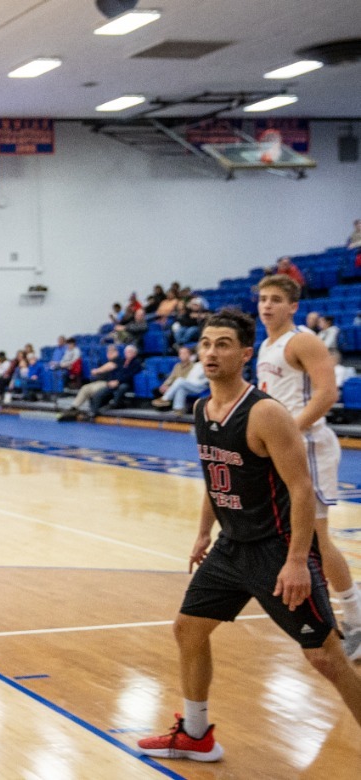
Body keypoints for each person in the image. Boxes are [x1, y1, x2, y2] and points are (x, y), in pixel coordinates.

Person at [137, 309, 361, 762]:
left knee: (325, 659)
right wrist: (204, 532)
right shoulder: (202, 408)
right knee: (188, 630)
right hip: (230, 548)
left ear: (244, 354)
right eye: (205, 344)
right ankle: (196, 735)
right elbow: (214, 475)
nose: (211, 352)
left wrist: (298, 560)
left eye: (222, 344)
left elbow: (302, 492)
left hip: (276, 553)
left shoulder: (266, 414)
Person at [255, 275, 361, 660]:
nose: (267, 306)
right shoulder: (266, 345)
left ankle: (356, 618)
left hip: (310, 446)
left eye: (276, 300)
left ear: (293, 306)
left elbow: (328, 393)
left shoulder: (302, 341)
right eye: (263, 299)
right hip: (286, 447)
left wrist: (288, 431)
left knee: (315, 538)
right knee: (296, 535)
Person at [57, 345, 119, 422]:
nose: (109, 354)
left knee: (94, 389)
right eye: (108, 352)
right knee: (85, 388)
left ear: (116, 352)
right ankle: (74, 408)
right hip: (100, 382)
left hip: (108, 383)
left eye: (111, 352)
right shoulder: (106, 362)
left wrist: (97, 370)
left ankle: (92, 411)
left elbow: (110, 366)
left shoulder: (118, 360)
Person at [151, 346, 208, 413]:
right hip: (190, 385)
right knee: (181, 388)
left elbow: (204, 379)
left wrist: (171, 387)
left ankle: (165, 399)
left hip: (201, 386)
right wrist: (166, 385)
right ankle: (178, 409)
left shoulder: (203, 365)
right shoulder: (196, 365)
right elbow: (173, 378)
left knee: (180, 381)